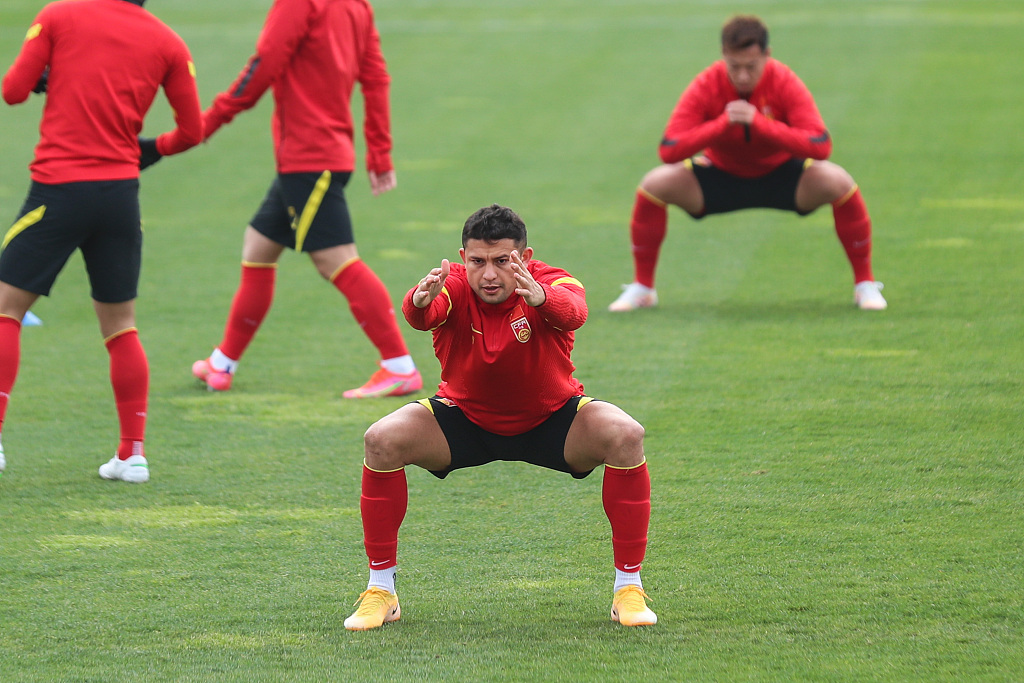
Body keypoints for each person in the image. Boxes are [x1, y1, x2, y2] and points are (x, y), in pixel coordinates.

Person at [343, 204, 657, 630]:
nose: (488, 274)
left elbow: (575, 311)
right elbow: (424, 314)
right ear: (463, 257)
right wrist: (417, 301)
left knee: (626, 434)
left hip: (551, 419)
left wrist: (541, 298)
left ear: (524, 257)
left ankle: (628, 589)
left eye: (502, 261)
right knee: (380, 439)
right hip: (465, 419)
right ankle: (381, 591)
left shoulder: (553, 280)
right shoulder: (453, 284)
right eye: (478, 261)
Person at [0, 0, 203, 482]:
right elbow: (192, 131)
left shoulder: (58, 16)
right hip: (119, 200)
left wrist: (44, 76)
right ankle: (132, 455)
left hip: (57, 191)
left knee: (6, 309)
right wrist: (149, 150)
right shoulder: (168, 41)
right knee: (120, 325)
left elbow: (12, 91)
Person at [176, 0, 421, 397]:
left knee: (336, 260)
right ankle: (222, 365)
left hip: (309, 159)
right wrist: (379, 151)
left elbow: (264, 65)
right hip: (321, 156)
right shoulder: (357, 5)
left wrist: (210, 121)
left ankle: (399, 366)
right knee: (259, 247)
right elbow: (375, 77)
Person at [609, 14, 887, 313]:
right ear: (723, 55)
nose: (742, 76)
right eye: (734, 66)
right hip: (721, 175)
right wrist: (722, 124)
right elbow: (669, 149)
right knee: (654, 184)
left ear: (767, 55)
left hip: (782, 175)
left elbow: (820, 145)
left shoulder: (783, 80)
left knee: (839, 182)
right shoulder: (707, 82)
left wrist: (759, 123)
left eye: (751, 67)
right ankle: (643, 288)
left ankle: (865, 284)